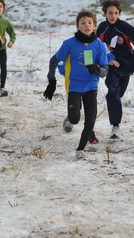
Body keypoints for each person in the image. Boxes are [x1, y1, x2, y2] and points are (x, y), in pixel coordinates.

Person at [44, 9, 109, 159]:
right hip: (74, 85)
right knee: (75, 118)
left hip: (91, 85)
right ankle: (69, 119)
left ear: (94, 26)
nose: (87, 25)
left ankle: (80, 149)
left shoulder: (99, 46)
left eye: (90, 23)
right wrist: (51, 80)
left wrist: (97, 69)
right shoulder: (69, 44)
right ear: (77, 26)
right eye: (83, 23)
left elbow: (105, 71)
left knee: (91, 120)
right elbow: (54, 61)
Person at [94, 0, 134, 140]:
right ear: (104, 14)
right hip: (110, 65)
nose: (113, 16)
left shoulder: (126, 28)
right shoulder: (102, 28)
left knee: (118, 93)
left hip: (126, 65)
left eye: (116, 13)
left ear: (119, 13)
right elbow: (96, 45)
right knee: (113, 91)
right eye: (110, 13)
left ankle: (114, 106)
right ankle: (115, 126)